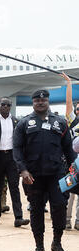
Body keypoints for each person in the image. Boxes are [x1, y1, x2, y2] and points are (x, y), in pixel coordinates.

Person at [13, 88, 75, 251]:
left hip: (57, 174)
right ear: (33, 103)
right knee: (36, 210)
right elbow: (17, 149)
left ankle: (57, 242)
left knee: (59, 207)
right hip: (33, 176)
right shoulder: (24, 123)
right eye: (36, 101)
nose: (40, 103)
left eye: (43, 100)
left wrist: (75, 169)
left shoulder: (60, 122)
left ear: (48, 102)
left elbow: (68, 149)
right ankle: (39, 247)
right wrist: (23, 170)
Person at [0, 97, 29, 227]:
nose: (5, 107)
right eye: (3, 104)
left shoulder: (16, 122)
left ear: (10, 106)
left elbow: (21, 143)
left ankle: (18, 217)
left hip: (11, 159)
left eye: (8, 105)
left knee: (14, 188)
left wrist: (21, 161)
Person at [63, 73, 79, 231]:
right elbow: (68, 103)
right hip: (73, 164)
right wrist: (69, 84)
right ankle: (66, 220)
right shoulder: (72, 120)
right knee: (69, 193)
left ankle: (78, 221)